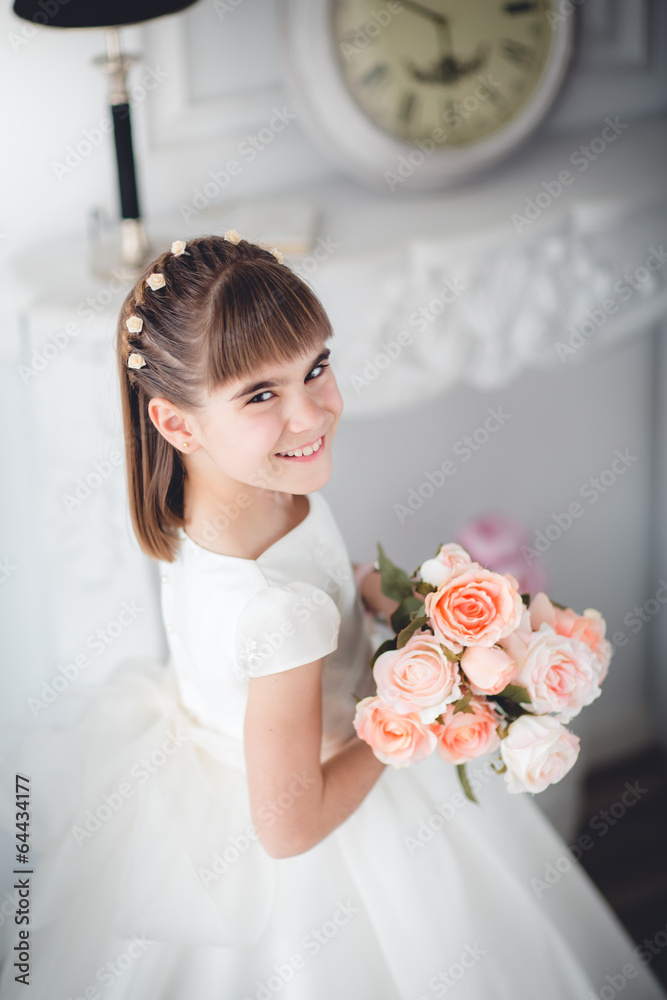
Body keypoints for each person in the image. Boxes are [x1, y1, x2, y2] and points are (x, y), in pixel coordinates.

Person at [0, 233, 664, 1000]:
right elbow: (289, 828)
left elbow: (323, 579)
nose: (311, 412)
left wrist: (400, 600)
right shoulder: (277, 617)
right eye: (260, 394)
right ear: (178, 424)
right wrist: (415, 708)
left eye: (315, 366)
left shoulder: (242, 493)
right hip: (319, 818)